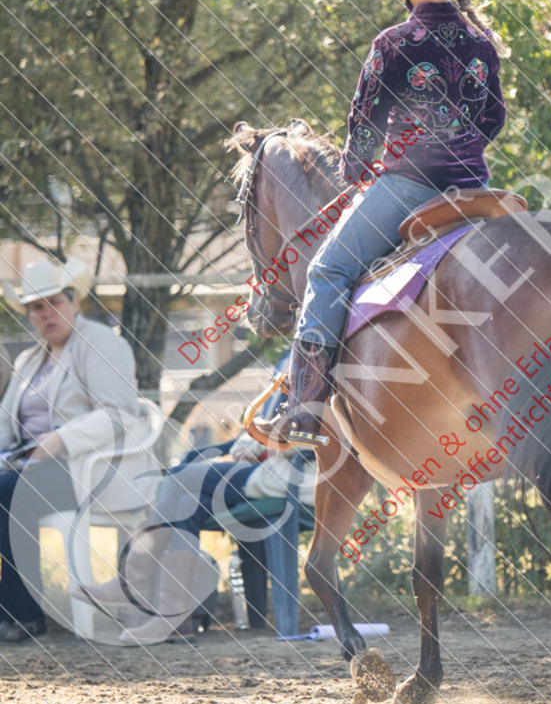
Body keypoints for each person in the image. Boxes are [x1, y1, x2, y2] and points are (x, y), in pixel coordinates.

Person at [258, 0, 507, 446]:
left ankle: (304, 408)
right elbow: (493, 119)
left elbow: (364, 123)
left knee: (327, 269)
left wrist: (355, 170)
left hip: (410, 187)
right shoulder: (481, 42)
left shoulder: (394, 42)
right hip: (474, 191)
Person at [78, 359, 316, 645]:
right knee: (185, 503)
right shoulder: (287, 360)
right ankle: (174, 617)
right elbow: (256, 422)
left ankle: (133, 583)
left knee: (179, 477)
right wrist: (247, 445)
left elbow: (319, 432)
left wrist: (261, 443)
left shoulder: (323, 361)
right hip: (259, 471)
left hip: (290, 477)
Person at [0, 257, 154, 642]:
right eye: (36, 307)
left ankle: (22, 615)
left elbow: (120, 414)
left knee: (6, 493)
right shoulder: (29, 359)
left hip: (84, 470)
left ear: (74, 302)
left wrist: (61, 439)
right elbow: (6, 425)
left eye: (54, 302)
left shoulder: (101, 344)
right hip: (28, 466)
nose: (46, 313)